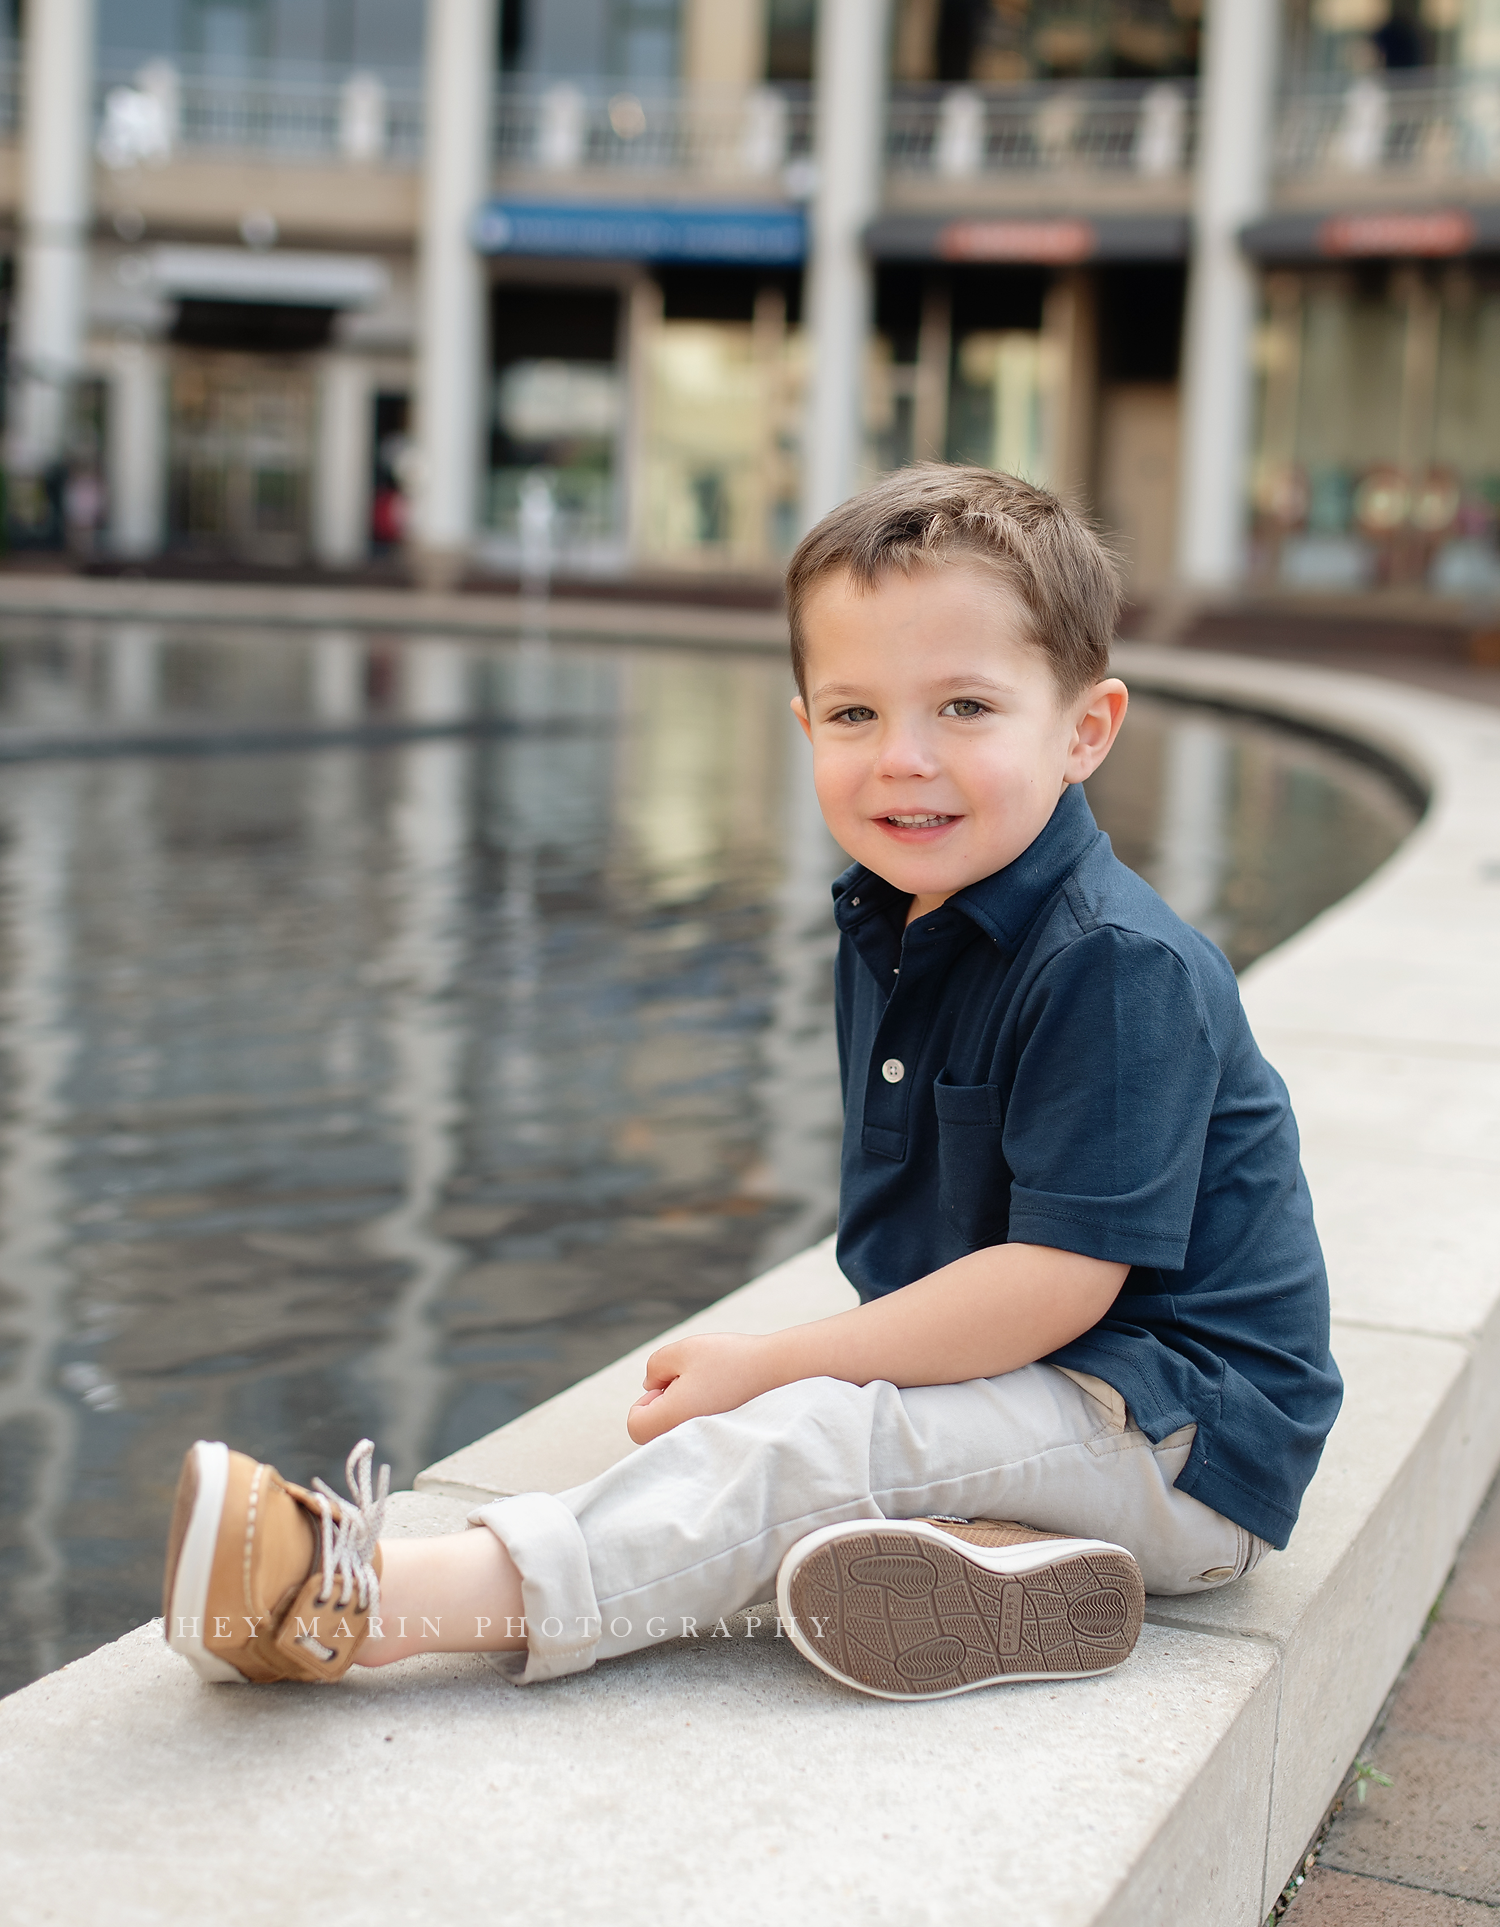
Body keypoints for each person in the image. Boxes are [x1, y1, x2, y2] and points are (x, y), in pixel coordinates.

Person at [161, 464, 1342, 1703]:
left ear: (1085, 729)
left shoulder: (1112, 964)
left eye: (964, 708)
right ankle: (1013, 1570)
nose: (904, 760)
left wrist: (782, 1365)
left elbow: (1054, 1284)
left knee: (811, 1438)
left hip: (1185, 1438)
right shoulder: (897, 917)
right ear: (802, 727)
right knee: (784, 1443)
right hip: (1065, 1405)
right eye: (854, 716)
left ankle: (369, 1600)